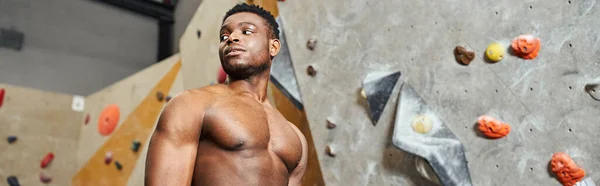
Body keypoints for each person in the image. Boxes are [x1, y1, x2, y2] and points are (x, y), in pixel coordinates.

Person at [144, 3, 307, 186]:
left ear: (273, 47)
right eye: (224, 36)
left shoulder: (295, 137)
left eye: (246, 31)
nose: (232, 38)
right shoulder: (192, 104)